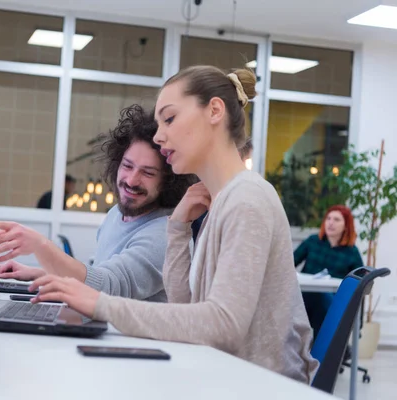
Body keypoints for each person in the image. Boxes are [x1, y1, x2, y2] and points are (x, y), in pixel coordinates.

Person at [29, 65, 318, 383]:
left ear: (214, 111)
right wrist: (179, 227)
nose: (158, 135)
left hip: (259, 384)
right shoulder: (222, 199)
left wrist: (101, 304)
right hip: (226, 375)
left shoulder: (246, 199)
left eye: (169, 118)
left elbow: (224, 326)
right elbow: (185, 308)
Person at [0, 104, 196, 302]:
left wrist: (41, 246)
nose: (131, 180)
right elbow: (97, 272)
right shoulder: (116, 214)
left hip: (137, 341)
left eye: (148, 173)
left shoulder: (167, 233)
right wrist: (42, 274)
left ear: (169, 180)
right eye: (127, 166)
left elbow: (109, 288)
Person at [294, 205, 364, 339]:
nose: (331, 223)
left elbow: (359, 287)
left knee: (324, 298)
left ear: (346, 225)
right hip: (305, 297)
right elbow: (289, 263)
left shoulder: (352, 252)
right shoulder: (313, 241)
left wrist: (357, 324)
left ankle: (323, 350)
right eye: (328, 218)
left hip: (330, 301)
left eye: (337, 220)